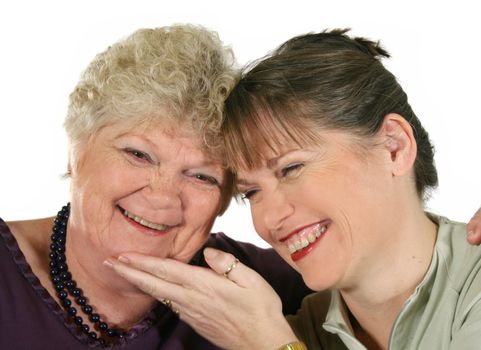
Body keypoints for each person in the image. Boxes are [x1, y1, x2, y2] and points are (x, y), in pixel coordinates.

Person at [108, 29, 481, 350]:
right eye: (250, 193)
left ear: (394, 148)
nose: (270, 218)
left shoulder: (269, 333)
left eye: (291, 168)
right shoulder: (299, 325)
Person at [0, 24, 313, 349]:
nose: (163, 197)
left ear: (225, 198)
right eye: (138, 155)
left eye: (201, 176)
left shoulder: (266, 293)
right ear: (74, 153)